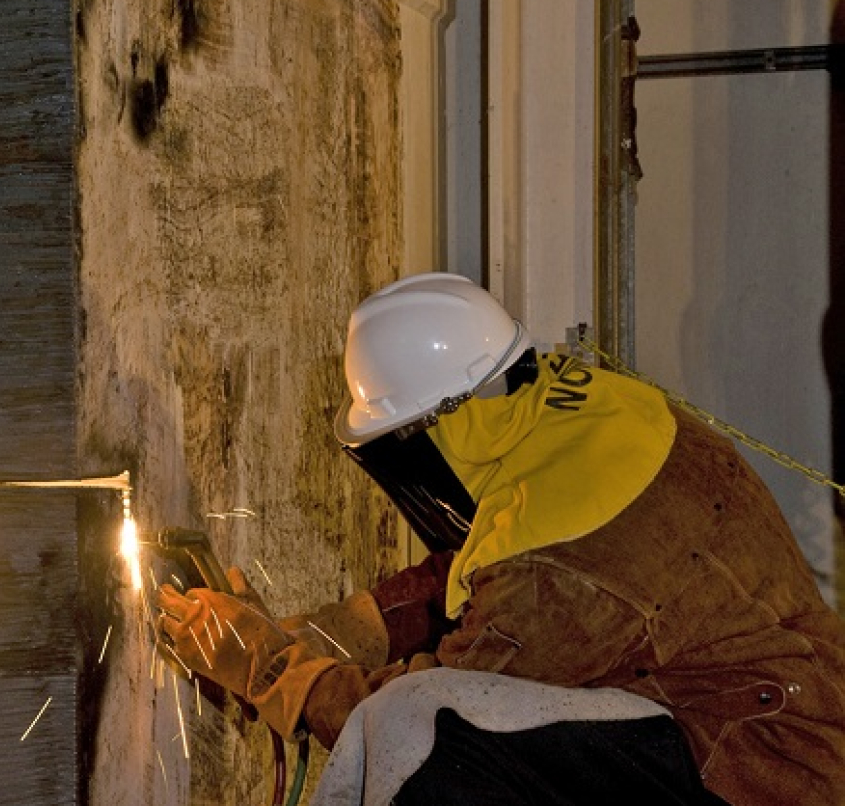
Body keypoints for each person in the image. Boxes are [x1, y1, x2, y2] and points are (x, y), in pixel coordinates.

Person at [156, 272, 845, 805]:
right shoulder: (587, 412)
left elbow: (434, 706)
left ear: (435, 425)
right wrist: (343, 629)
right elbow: (500, 567)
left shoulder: (549, 571)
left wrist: (274, 671)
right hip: (791, 723)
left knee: (416, 728)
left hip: (755, 774)